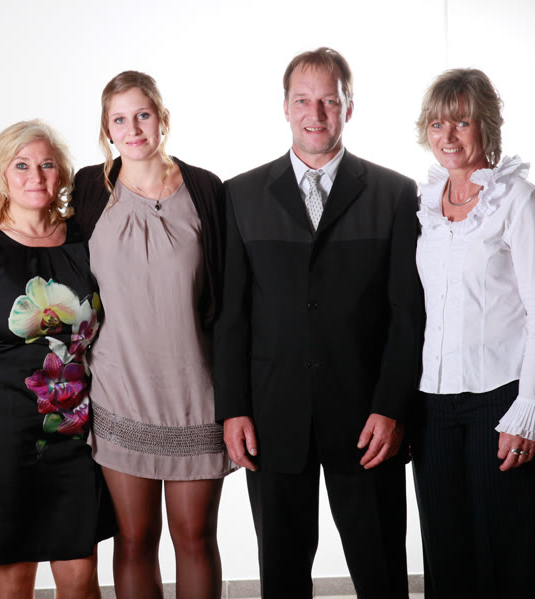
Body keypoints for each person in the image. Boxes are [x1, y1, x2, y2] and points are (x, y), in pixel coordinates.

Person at [213, 48, 426, 598]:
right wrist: (233, 407)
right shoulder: (240, 195)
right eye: (303, 100)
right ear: (285, 107)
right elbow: (231, 315)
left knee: (381, 573)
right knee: (282, 576)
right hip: (272, 417)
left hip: (367, 420)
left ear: (349, 107)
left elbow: (407, 315)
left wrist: (391, 407)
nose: (316, 114)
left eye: (329, 101)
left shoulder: (395, 194)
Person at [0, 120, 114, 599]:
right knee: (15, 567)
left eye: (47, 165)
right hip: (0, 428)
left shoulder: (83, 239)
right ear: (1, 175)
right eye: (22, 165)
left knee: (80, 569)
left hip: (73, 424)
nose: (36, 176)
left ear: (61, 174)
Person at [72, 71, 234, 599]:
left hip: (195, 392)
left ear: (162, 119)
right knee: (135, 538)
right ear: (107, 129)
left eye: (142, 115)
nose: (133, 129)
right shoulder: (89, 189)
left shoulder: (206, 189)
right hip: (118, 389)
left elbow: (230, 296)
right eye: (119, 119)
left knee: (195, 536)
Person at [410, 68, 535, 598]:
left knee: (507, 561)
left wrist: (529, 406)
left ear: (486, 126)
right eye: (437, 124)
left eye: (462, 122)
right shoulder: (425, 206)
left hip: (500, 402)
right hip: (433, 409)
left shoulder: (521, 201)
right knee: (446, 561)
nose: (448, 136)